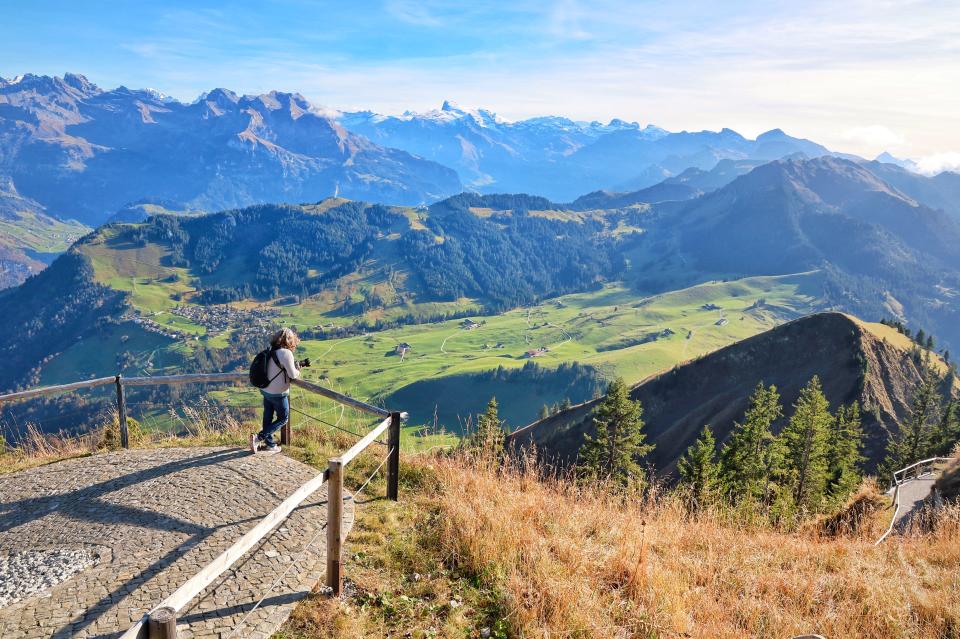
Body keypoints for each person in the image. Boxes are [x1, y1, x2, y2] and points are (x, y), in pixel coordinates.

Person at [250, 328, 308, 453]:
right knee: (283, 418)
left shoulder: (271, 350)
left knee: (268, 416)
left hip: (265, 389)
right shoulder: (286, 353)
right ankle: (258, 437)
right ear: (290, 341)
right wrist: (298, 370)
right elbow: (292, 375)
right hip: (278, 393)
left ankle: (270, 444)